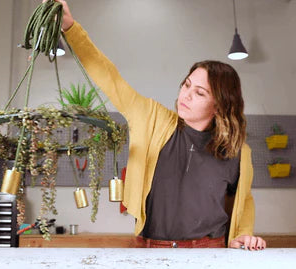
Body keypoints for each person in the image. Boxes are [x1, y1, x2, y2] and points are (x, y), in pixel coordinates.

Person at [48, 0, 266, 250]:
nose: (185, 95)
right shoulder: (152, 119)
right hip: (150, 248)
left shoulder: (238, 153)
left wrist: (244, 235)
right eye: (186, 85)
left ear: (219, 106)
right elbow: (110, 77)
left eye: (199, 93)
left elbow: (243, 201)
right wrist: (70, 28)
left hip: (211, 251)